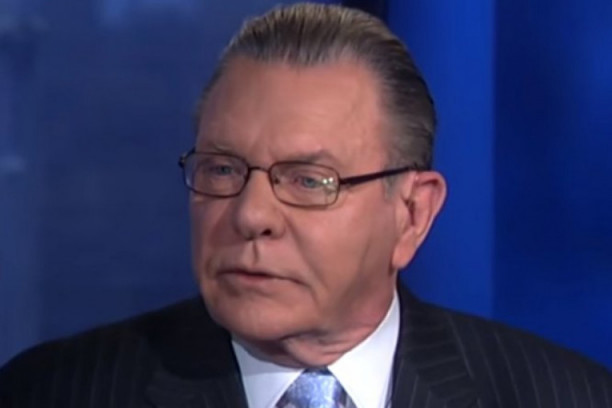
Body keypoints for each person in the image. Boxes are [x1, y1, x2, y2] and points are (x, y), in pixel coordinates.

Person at [1, 3, 610, 407]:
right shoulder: (52, 393)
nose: (250, 216)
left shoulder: (564, 396)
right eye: (222, 169)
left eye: (309, 181)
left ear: (412, 215)